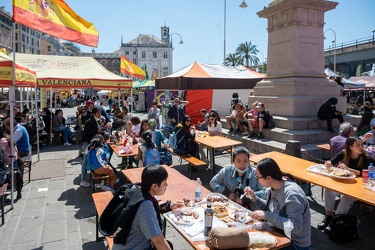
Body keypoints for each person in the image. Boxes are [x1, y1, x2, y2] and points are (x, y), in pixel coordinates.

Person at [112, 165, 183, 250]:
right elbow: (158, 242)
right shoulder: (145, 206)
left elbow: (154, 203)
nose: (167, 185)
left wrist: (168, 206)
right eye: (165, 183)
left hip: (122, 245)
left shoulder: (138, 190)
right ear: (154, 186)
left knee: (168, 245)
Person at [247, 157, 311, 249]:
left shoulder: (292, 193)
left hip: (295, 244)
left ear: (269, 178)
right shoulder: (272, 187)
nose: (257, 179)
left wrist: (266, 215)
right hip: (279, 233)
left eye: (257, 177)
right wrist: (254, 199)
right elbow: (273, 210)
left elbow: (295, 227)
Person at [317, 137, 375, 233]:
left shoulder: (366, 157)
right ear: (350, 147)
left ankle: (336, 221)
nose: (361, 147)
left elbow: (363, 173)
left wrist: (347, 168)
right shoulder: (344, 153)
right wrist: (328, 163)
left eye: (362, 145)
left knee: (346, 198)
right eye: (358, 145)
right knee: (329, 190)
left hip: (360, 186)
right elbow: (331, 162)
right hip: (345, 182)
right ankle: (328, 216)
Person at [80, 107, 105, 187]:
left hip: (92, 142)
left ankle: (92, 175)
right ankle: (83, 179)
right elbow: (87, 132)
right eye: (98, 113)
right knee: (85, 159)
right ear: (94, 114)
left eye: (100, 113)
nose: (100, 114)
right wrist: (97, 131)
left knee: (91, 158)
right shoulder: (89, 121)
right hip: (87, 142)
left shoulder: (97, 120)